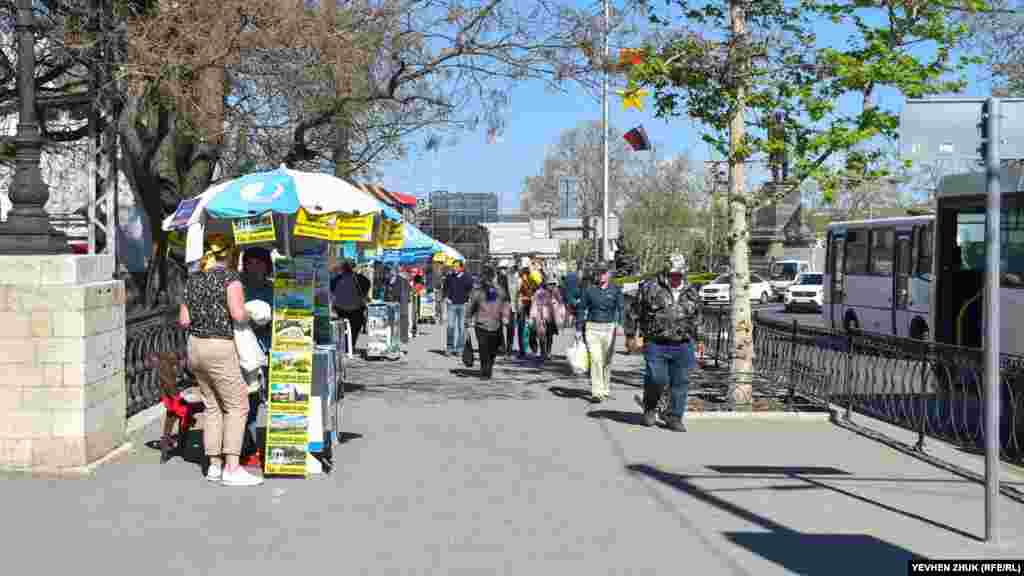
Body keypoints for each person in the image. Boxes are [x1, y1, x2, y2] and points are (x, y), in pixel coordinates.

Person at [178, 235, 263, 486]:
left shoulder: (192, 280)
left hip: (195, 347)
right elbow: (238, 314)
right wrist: (254, 312)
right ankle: (232, 468)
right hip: (220, 347)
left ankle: (214, 465)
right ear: (230, 254)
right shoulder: (230, 279)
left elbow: (184, 320)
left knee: (212, 406)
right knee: (238, 406)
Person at [635, 254, 701, 431]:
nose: (676, 277)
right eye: (673, 274)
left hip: (683, 343)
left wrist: (698, 341)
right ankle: (650, 407)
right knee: (657, 378)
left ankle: (675, 416)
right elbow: (635, 311)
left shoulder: (691, 291)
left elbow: (696, 318)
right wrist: (631, 335)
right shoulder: (650, 288)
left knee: (681, 381)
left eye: (679, 274)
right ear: (666, 271)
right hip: (657, 343)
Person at [575, 263, 624, 403]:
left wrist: (620, 324)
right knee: (596, 359)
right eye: (599, 272)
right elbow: (581, 309)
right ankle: (597, 391)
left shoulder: (615, 290)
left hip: (609, 328)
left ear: (609, 274)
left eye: (604, 272)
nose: (601, 275)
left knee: (606, 361)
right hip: (592, 328)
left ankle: (605, 386)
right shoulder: (589, 290)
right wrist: (578, 329)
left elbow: (621, 308)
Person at [465, 266, 510, 380]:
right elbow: (471, 305)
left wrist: (505, 316)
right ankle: (485, 370)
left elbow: (505, 303)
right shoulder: (478, 290)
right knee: (483, 348)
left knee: (492, 350)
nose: (488, 279)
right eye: (487, 277)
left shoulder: (499, 290)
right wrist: (467, 318)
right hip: (481, 324)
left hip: (496, 324)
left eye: (490, 277)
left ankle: (488, 366)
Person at [332, 260, 370, 352]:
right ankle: (351, 345)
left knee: (343, 326)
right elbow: (367, 284)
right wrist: (364, 295)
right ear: (353, 268)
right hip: (356, 308)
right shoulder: (360, 278)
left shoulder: (336, 279)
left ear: (342, 269)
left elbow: (332, 289)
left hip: (340, 308)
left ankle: (345, 345)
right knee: (356, 326)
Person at [530, 278, 566, 361]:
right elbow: (534, 304)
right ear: (546, 284)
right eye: (550, 284)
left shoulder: (555, 293)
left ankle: (548, 352)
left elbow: (560, 303)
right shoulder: (539, 293)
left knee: (550, 335)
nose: (552, 286)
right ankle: (543, 353)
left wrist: (561, 315)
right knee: (542, 335)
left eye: (553, 284)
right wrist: (533, 316)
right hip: (541, 316)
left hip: (551, 316)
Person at [444, 261, 474, 357]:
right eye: (453, 266)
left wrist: (468, 300)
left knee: (461, 328)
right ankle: (449, 348)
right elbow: (445, 288)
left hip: (463, 305)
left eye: (456, 267)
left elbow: (471, 290)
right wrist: (446, 297)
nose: (454, 268)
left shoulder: (467, 278)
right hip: (451, 304)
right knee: (450, 327)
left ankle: (459, 349)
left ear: (461, 268)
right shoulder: (449, 276)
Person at [516, 267, 537, 358]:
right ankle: (522, 351)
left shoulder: (533, 281)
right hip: (522, 305)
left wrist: (531, 298)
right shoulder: (520, 282)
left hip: (531, 305)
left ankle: (534, 347)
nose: (523, 277)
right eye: (522, 275)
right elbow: (518, 294)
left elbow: (536, 293)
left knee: (533, 327)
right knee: (521, 327)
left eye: (524, 275)